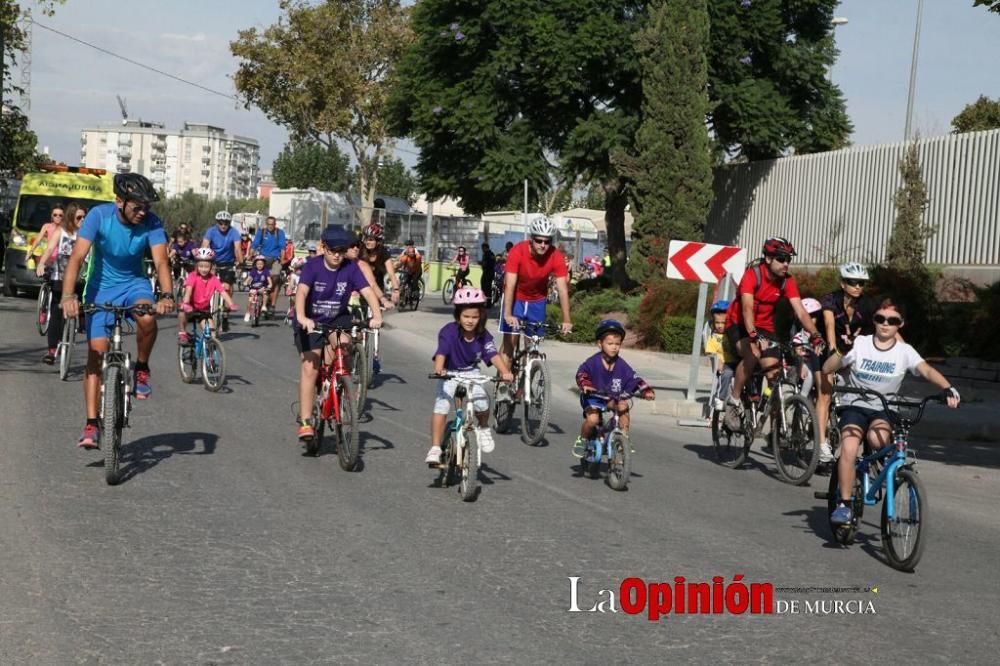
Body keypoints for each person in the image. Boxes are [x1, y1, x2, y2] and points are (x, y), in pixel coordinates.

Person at [822, 299, 960, 525]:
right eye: (880, 319)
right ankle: (844, 504)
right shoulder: (861, 344)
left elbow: (925, 369)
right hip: (855, 405)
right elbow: (827, 368)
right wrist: (841, 351)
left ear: (900, 324)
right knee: (848, 447)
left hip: (883, 409)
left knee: (878, 440)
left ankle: (874, 466)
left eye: (892, 320)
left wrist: (947, 388)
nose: (885, 324)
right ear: (874, 321)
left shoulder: (904, 351)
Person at [61, 173, 174, 448]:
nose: (143, 212)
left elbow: (160, 262)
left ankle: (142, 368)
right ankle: (91, 424)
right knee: (96, 354)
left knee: (147, 317)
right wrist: (68, 295)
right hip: (100, 288)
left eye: (146, 206)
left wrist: (167, 295)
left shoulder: (152, 222)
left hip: (135, 284)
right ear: (119, 201)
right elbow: (77, 257)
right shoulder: (99, 217)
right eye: (137, 206)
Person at [723, 237, 824, 430]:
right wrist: (753, 336)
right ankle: (733, 402)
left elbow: (801, 311)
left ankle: (778, 432)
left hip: (765, 328)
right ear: (768, 258)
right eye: (781, 259)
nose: (786, 264)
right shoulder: (753, 275)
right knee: (752, 354)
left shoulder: (787, 281)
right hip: (739, 324)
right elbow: (746, 308)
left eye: (788, 259)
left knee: (775, 375)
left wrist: (815, 334)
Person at [294, 225, 383, 442]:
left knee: (344, 345)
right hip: (311, 321)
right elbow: (302, 292)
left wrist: (377, 315)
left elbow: (368, 291)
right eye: (332, 250)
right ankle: (306, 420)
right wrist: (302, 317)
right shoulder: (312, 266)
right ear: (323, 247)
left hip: (337, 319)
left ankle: (338, 384)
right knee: (310, 367)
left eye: (341, 251)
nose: (336, 255)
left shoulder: (351, 268)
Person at [425, 287, 513, 464]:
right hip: (449, 373)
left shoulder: (483, 335)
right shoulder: (448, 331)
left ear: (480, 316)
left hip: (471, 373)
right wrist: (439, 369)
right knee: (441, 404)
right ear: (458, 316)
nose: (470, 321)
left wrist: (505, 372)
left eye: (474, 317)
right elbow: (442, 352)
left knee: (482, 401)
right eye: (466, 316)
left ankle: (483, 427)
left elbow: (493, 354)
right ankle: (435, 447)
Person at [498, 216, 572, 373]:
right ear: (531, 239)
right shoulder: (517, 251)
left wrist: (566, 319)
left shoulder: (555, 255)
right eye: (539, 241)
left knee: (532, 348)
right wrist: (508, 313)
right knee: (510, 344)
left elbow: (563, 289)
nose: (543, 245)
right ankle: (504, 381)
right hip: (516, 298)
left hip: (537, 301)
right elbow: (510, 285)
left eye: (547, 241)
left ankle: (524, 389)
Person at [572, 320, 655, 458]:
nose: (614, 347)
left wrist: (646, 390)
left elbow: (634, 378)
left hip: (611, 398)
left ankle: (624, 438)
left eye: (617, 344)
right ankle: (582, 439)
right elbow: (582, 373)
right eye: (610, 344)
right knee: (592, 420)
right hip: (593, 397)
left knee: (623, 405)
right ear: (600, 344)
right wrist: (585, 383)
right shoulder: (593, 362)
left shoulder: (621, 364)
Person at [36, 202, 87, 363]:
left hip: (81, 277)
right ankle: (51, 350)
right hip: (60, 276)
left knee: (83, 301)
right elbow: (50, 248)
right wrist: (42, 263)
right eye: (79, 217)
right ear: (71, 216)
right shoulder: (61, 231)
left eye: (85, 217)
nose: (83, 220)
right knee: (57, 312)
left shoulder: (88, 233)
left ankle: (81, 318)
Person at [177, 248, 238, 344]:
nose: (203, 269)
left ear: (211, 267)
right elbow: (188, 290)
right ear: (196, 266)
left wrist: (231, 304)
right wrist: (186, 303)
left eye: (206, 267)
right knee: (182, 311)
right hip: (191, 308)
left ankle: (208, 356)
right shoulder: (193, 276)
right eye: (201, 266)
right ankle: (182, 332)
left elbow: (222, 292)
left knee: (212, 334)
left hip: (204, 310)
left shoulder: (214, 279)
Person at [201, 210, 244, 331]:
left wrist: (241, 262)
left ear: (229, 223)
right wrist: (203, 260)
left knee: (227, 287)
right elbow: (205, 245)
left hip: (228, 263)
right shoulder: (211, 231)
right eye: (221, 223)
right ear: (217, 223)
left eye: (226, 223)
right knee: (206, 284)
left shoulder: (234, 232)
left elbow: (237, 248)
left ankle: (225, 314)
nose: (223, 225)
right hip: (213, 262)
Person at [704, 299, 737, 412]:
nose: (719, 326)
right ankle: (720, 398)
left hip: (736, 362)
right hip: (723, 364)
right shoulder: (713, 337)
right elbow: (710, 351)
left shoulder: (733, 334)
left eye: (723, 323)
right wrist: (717, 361)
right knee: (727, 373)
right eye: (717, 323)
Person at [251, 215, 287, 313]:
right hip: (263, 259)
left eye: (272, 224)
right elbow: (254, 245)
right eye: (269, 224)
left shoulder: (279, 233)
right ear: (266, 224)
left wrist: (283, 260)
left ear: (275, 225)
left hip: (275, 259)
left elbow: (283, 248)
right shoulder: (261, 232)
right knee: (256, 277)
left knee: (275, 277)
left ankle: (272, 303)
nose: (270, 226)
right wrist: (250, 254)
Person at [243, 255, 273, 322]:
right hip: (253, 288)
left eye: (261, 264)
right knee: (250, 301)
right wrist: (245, 282)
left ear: (264, 264)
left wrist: (270, 285)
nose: (260, 265)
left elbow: (269, 280)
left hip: (262, 288)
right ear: (255, 264)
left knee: (265, 292)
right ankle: (248, 313)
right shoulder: (253, 271)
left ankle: (264, 306)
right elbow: (249, 278)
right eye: (258, 264)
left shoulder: (266, 271)